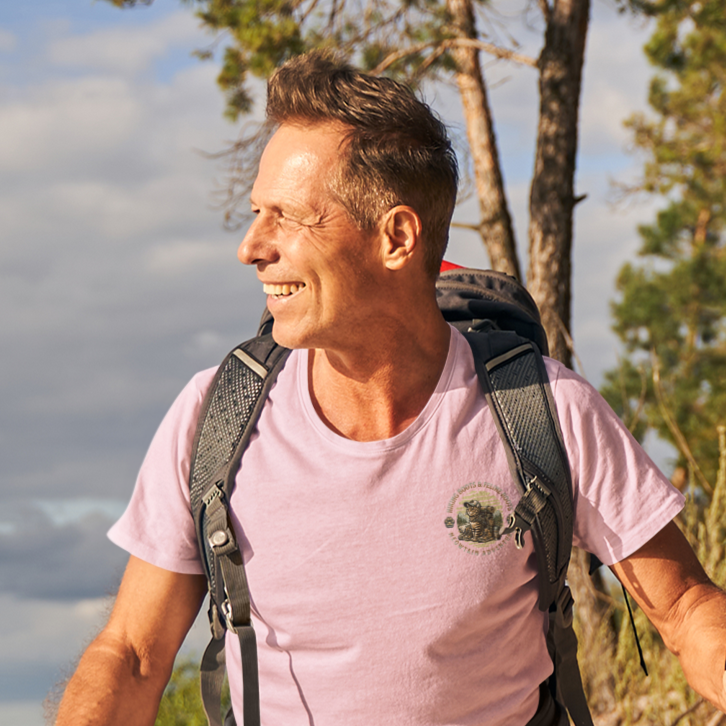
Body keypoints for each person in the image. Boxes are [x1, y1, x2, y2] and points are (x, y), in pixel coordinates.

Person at [55, 51, 726, 726]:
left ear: (397, 237)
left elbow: (685, 608)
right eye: (258, 212)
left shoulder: (544, 410)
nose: (252, 246)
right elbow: (135, 655)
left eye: (287, 216)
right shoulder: (218, 415)